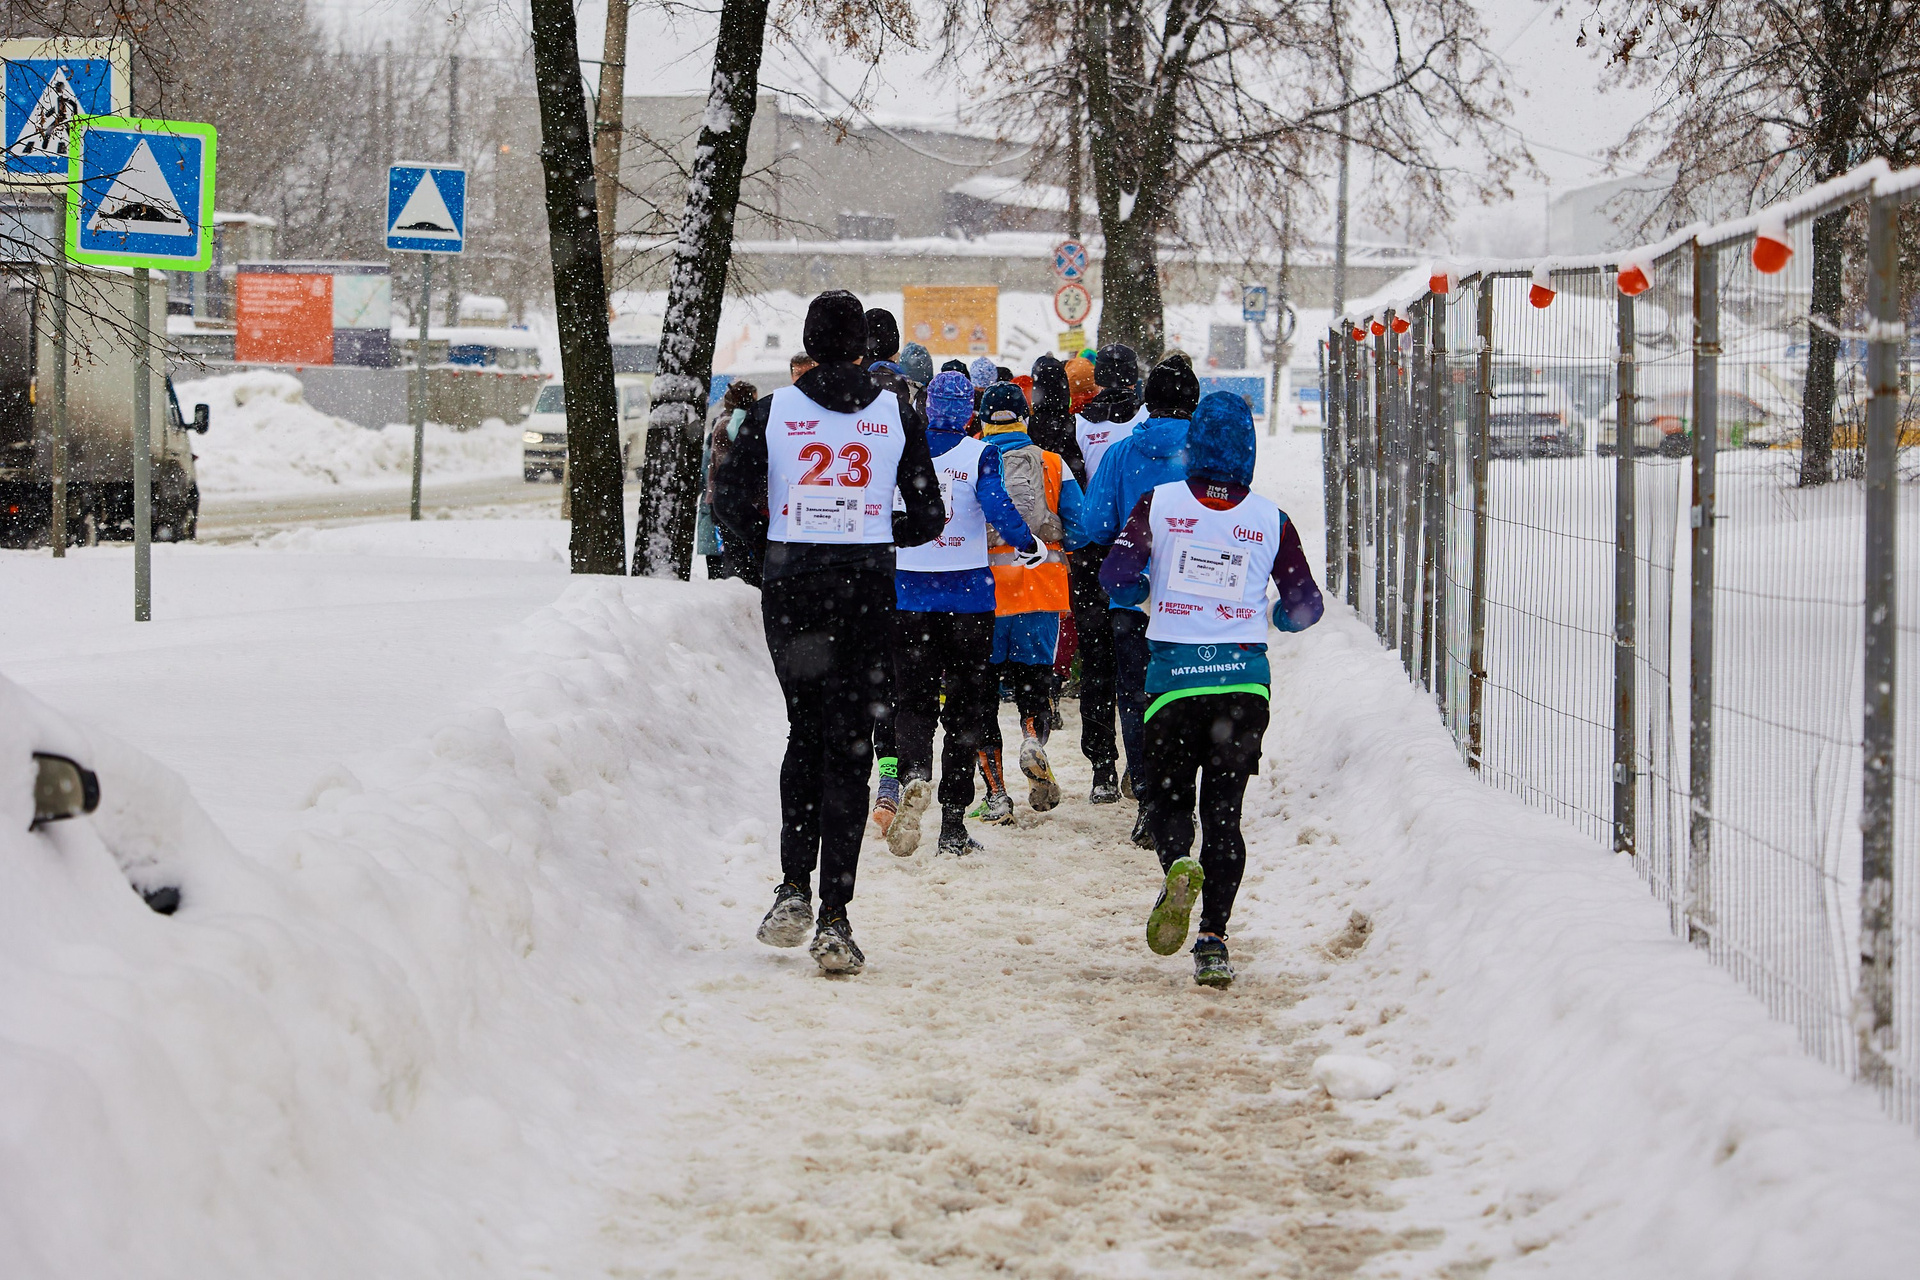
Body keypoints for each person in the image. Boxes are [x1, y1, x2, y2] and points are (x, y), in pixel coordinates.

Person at [714, 291, 945, 975]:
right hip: (865, 587)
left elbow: (729, 500)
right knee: (849, 746)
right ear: (864, 348)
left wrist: (768, 551)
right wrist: (878, 528)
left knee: (804, 732)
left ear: (811, 345)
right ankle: (836, 916)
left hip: (794, 585)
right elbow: (929, 516)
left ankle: (791, 887)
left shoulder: (772, 411)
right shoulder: (896, 413)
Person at [1099, 392, 1323, 986]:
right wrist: (1273, 617)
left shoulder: (1160, 503)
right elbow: (1307, 606)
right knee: (1225, 814)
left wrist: (1144, 589)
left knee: (1169, 802)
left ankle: (1178, 864)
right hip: (1241, 688)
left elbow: (1115, 577)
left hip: (1173, 684)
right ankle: (1213, 940)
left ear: (1193, 444)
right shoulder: (1272, 519)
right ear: (1248, 450)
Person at [888, 371, 1043, 857]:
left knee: (913, 701)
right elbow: (998, 506)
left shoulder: (901, 450)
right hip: (968, 599)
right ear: (969, 413)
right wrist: (1028, 544)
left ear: (927, 408)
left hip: (910, 594)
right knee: (965, 711)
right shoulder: (980, 454)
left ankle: (914, 773)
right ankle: (953, 825)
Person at [1081, 356, 1202, 844]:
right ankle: (1183, 800)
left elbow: (1095, 525)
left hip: (1133, 598)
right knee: (1189, 697)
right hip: (1196, 598)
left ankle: (1150, 802)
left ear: (1148, 400)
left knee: (1136, 697)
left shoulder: (1120, 453)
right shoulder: (1207, 452)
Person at [974, 382, 1087, 816]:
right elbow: (1081, 527)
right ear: (1026, 417)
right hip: (1041, 590)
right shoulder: (1054, 463)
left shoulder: (972, 460)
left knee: (981, 694)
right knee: (1034, 682)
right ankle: (1031, 740)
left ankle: (995, 795)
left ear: (983, 420)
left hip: (983, 596)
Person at [1064, 344, 1146, 810]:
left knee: (1097, 662)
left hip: (1090, 553)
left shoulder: (1079, 424)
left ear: (1098, 380)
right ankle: (1141, 760)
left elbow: (1077, 488)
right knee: (1138, 664)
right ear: (1133, 378)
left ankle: (1101, 768)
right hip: (1139, 551)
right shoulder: (1143, 422)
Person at [698, 380, 758, 582]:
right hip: (733, 502)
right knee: (736, 557)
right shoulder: (729, 425)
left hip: (724, 502)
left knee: (732, 557)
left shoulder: (722, 425)